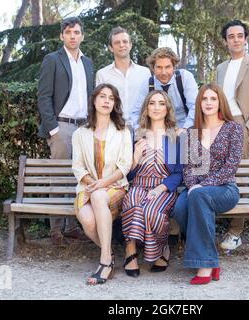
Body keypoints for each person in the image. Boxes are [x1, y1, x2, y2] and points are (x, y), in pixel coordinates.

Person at [172, 83, 243, 285]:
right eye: (205, 99)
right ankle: (211, 257)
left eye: (213, 98)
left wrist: (202, 186)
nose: (209, 102)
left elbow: (231, 167)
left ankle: (205, 266)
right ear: (199, 103)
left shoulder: (233, 129)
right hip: (195, 188)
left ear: (220, 102)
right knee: (179, 209)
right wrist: (194, 185)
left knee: (197, 196)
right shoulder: (192, 133)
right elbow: (188, 168)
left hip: (225, 189)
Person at [37, 16, 94, 246]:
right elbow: (43, 96)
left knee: (79, 177)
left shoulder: (88, 63)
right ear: (62, 36)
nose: (73, 36)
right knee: (58, 177)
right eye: (69, 32)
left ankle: (72, 226)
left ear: (82, 35)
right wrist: (53, 129)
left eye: (77, 32)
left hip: (84, 126)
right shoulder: (52, 60)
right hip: (62, 126)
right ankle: (56, 230)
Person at [215, 19, 249, 250]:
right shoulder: (220, 68)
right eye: (231, 36)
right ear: (226, 41)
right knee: (223, 175)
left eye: (240, 35)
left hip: (242, 125)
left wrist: (247, 130)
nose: (236, 39)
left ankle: (236, 232)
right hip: (221, 125)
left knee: (238, 176)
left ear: (246, 39)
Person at [72, 83, 133, 285]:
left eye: (111, 98)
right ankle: (109, 253)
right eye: (102, 96)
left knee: (99, 196)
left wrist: (103, 183)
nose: (107, 101)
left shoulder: (123, 131)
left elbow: (125, 165)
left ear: (115, 104)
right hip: (87, 187)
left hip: (115, 187)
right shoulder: (80, 133)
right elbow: (78, 166)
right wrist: (92, 183)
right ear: (94, 100)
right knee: (88, 222)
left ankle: (105, 262)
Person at [121, 90, 183, 277]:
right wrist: (134, 159)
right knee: (131, 203)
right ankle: (130, 251)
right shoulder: (135, 135)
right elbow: (128, 173)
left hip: (163, 187)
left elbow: (180, 172)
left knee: (151, 211)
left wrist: (160, 188)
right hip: (138, 184)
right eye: (152, 103)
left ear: (167, 108)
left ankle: (162, 247)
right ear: (146, 108)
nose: (156, 107)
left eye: (161, 103)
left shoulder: (175, 136)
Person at [131, 47, 198, 130]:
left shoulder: (185, 77)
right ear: (153, 68)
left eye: (167, 67)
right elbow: (136, 113)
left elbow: (195, 106)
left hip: (188, 125)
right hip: (159, 131)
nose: (163, 72)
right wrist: (140, 134)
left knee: (194, 141)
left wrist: (185, 129)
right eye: (159, 67)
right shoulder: (148, 84)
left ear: (174, 67)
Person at [96, 26, 151, 125]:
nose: (122, 45)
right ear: (111, 48)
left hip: (140, 127)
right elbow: (100, 105)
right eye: (117, 43)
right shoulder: (102, 74)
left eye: (125, 41)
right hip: (113, 127)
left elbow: (150, 100)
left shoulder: (145, 73)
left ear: (130, 45)